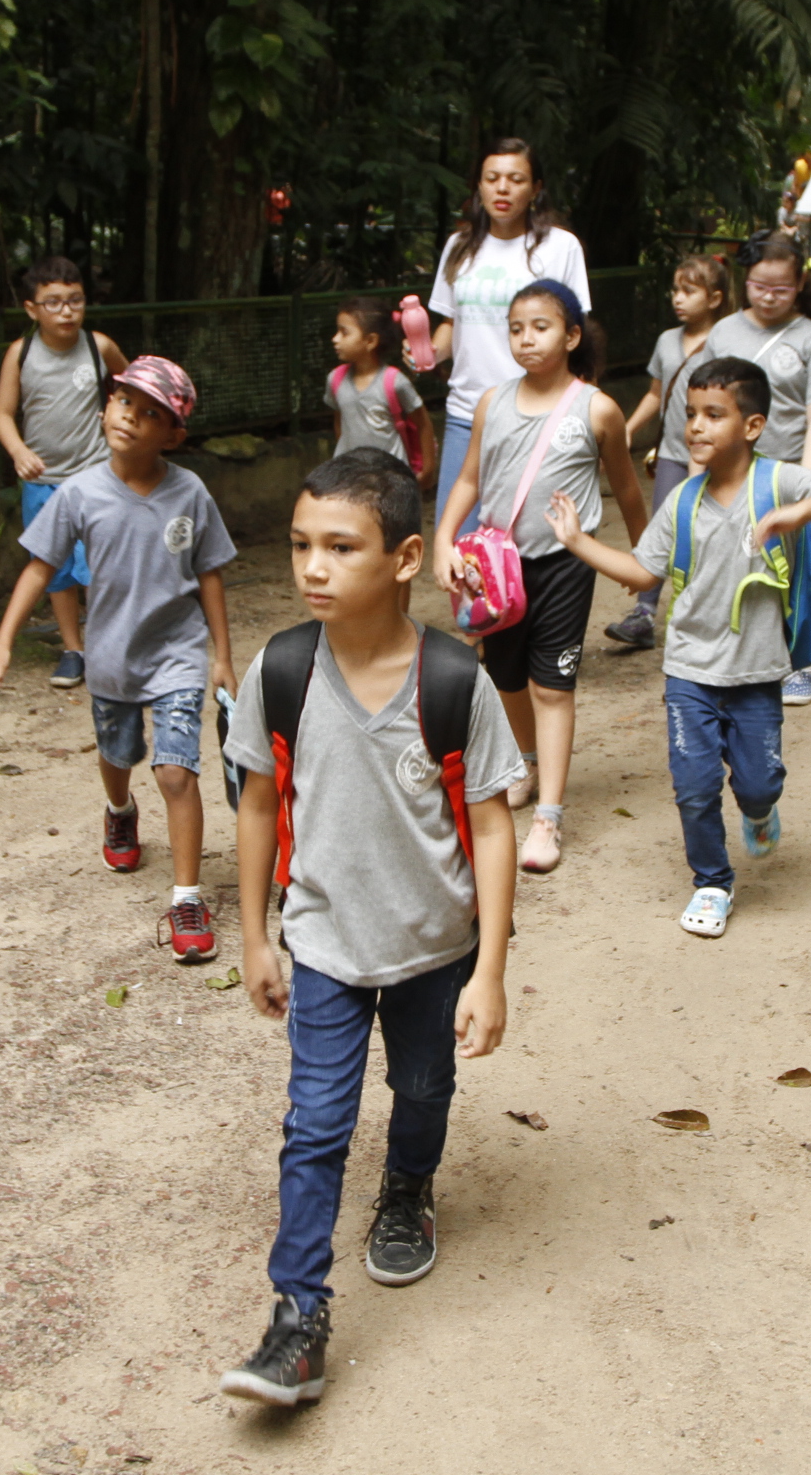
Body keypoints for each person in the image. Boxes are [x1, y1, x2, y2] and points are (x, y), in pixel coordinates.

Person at [218, 452, 521, 1407]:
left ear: (403, 558)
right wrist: (257, 935)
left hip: (436, 943)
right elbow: (260, 805)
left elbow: (497, 823)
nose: (313, 566)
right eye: (303, 545)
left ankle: (407, 1187)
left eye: (340, 547)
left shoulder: (451, 678)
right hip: (324, 944)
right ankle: (296, 1317)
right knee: (314, 1124)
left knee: (423, 1088)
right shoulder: (282, 670)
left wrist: (492, 971)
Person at [545, 357, 811, 938]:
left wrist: (797, 512)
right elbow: (641, 574)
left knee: (759, 781)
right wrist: (577, 541)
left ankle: (759, 811)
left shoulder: (776, 481)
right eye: (690, 414)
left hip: (757, 671)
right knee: (694, 785)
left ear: (753, 425)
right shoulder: (682, 502)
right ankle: (712, 882)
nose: (696, 426)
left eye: (715, 415)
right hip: (689, 671)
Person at [0, 357, 238, 962]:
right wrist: (4, 640)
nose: (132, 418)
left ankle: (186, 899)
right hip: (113, 658)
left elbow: (211, 573)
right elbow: (41, 566)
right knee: (118, 754)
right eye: (125, 403)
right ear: (105, 408)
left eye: (152, 414)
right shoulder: (78, 493)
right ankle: (120, 811)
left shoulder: (189, 491)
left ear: (173, 434)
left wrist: (220, 656)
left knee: (176, 771)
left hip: (177, 653)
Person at [434, 280, 648, 875]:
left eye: (541, 327)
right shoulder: (492, 402)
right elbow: (471, 479)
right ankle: (524, 762)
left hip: (563, 566)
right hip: (496, 568)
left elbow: (628, 488)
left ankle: (549, 814)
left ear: (571, 335)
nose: (527, 339)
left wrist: (643, 563)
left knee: (551, 687)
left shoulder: (596, 407)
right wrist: (443, 540)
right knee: (504, 678)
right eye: (517, 328)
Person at [698, 235, 811, 706]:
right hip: (729, 472)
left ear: (800, 283)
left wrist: (807, 487)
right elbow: (704, 404)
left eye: (781, 289)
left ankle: (797, 660)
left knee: (797, 567)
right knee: (729, 563)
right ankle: (734, 657)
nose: (768, 296)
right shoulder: (723, 333)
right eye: (760, 285)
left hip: (785, 472)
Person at [425, 139, 593, 538]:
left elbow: (578, 334)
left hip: (537, 414)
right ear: (478, 187)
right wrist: (428, 352)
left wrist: (582, 417)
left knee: (527, 541)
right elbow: (452, 324)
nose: (502, 189)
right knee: (456, 541)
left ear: (535, 189)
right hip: (467, 414)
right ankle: (468, 607)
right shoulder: (459, 247)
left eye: (516, 179)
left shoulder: (560, 247)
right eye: (492, 178)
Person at [0, 256, 131, 691]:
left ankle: (114, 646)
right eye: (53, 303)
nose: (66, 311)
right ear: (32, 309)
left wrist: (121, 428)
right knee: (55, 568)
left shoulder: (99, 347)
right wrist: (17, 451)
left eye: (75, 301)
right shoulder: (21, 353)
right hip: (43, 482)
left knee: (106, 562)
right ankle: (74, 650)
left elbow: (136, 390)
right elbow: (2, 414)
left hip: (97, 476)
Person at [608, 253, 729, 651]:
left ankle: (706, 613)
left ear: (714, 298)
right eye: (676, 289)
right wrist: (626, 428)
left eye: (688, 291)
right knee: (662, 527)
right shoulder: (666, 340)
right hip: (674, 453)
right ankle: (644, 614)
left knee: (708, 532)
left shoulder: (729, 339)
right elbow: (656, 394)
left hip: (715, 457)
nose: (678, 298)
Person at [326, 296, 438, 490]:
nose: (335, 339)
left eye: (344, 333)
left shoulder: (395, 382)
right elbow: (340, 422)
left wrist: (427, 469)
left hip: (390, 481)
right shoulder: (335, 379)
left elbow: (423, 423)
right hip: (350, 479)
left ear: (370, 341)